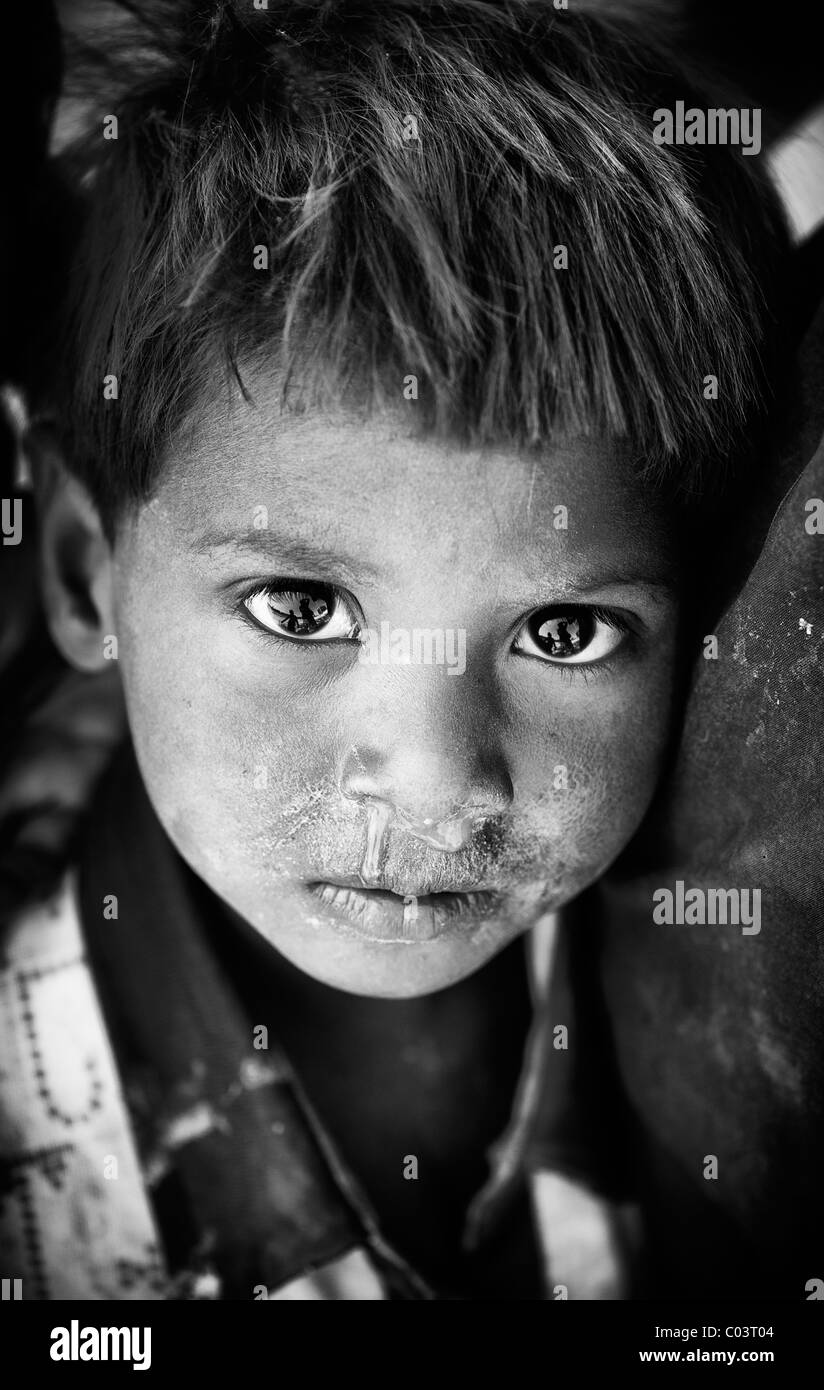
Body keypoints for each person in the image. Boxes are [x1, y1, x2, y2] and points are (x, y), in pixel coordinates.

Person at [0, 0, 792, 1299]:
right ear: (89, 569)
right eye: (300, 609)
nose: (433, 785)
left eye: (564, 630)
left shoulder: (741, 1054)